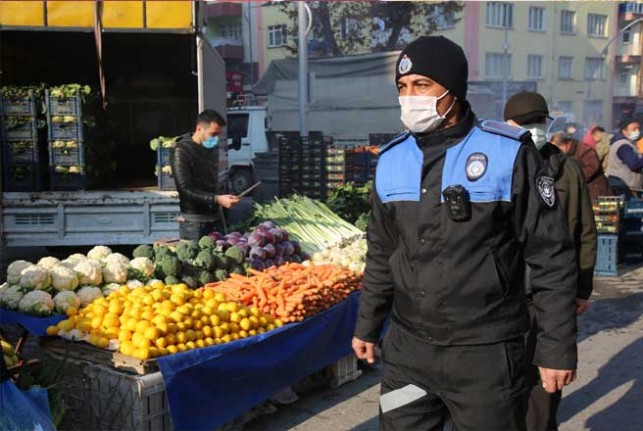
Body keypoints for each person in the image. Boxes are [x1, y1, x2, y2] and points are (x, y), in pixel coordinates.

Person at [352, 36, 578, 431]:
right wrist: (368, 325)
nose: (410, 98)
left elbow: (552, 255)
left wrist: (556, 347)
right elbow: (382, 254)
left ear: (453, 90)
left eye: (421, 85)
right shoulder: (391, 161)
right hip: (409, 357)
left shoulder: (508, 154)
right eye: (402, 88)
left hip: (485, 359)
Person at [504, 92, 597, 431]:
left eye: (537, 122)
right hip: (511, 295)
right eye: (525, 123)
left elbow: (585, 231)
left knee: (544, 386)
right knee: (510, 382)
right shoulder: (500, 165)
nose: (533, 129)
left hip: (549, 294)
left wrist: (582, 288)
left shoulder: (567, 169)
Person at [171, 109, 240, 240]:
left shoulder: (212, 149)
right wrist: (217, 199)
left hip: (215, 219)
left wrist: (225, 198)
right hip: (194, 223)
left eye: (219, 134)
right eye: (213, 134)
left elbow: (215, 180)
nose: (216, 139)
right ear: (199, 129)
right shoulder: (181, 150)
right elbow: (185, 189)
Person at [554, 135, 611, 200]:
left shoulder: (585, 150)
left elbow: (592, 167)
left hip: (595, 190)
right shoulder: (564, 155)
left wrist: (573, 177)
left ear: (565, 145)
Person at [606, 118, 643, 196]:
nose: (637, 131)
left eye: (638, 129)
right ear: (624, 131)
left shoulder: (629, 144)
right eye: (634, 129)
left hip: (624, 186)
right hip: (624, 188)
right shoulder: (623, 145)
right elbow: (634, 164)